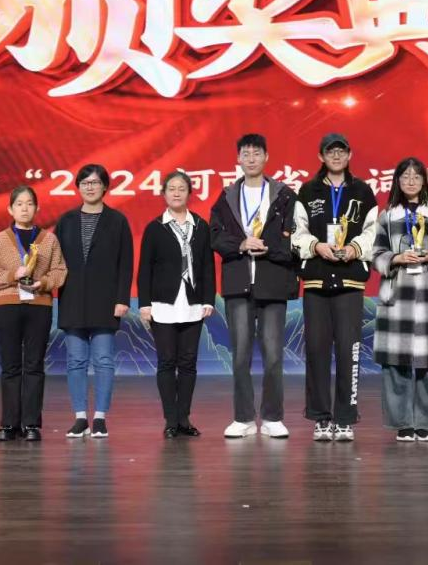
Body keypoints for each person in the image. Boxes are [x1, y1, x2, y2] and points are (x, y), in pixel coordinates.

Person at [209, 133, 299, 439]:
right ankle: (243, 418)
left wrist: (269, 249)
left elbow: (294, 236)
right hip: (238, 284)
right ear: (238, 159)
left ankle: (273, 417)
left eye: (256, 153)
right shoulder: (227, 197)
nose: (251, 159)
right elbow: (215, 236)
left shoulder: (284, 195)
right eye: (245, 154)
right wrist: (241, 244)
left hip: (272, 283)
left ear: (266, 157)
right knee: (240, 356)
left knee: (273, 355)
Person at [292, 133, 379, 442]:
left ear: (349, 154)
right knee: (316, 350)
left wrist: (355, 248)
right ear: (321, 156)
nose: (336, 156)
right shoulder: (308, 191)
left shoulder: (362, 191)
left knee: (348, 351)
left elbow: (373, 231)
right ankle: (320, 418)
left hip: (350, 280)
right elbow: (297, 232)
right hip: (316, 280)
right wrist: (316, 246)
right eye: (331, 151)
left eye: (341, 151)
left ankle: (344, 418)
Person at [371, 157, 428, 442]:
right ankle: (402, 423)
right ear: (397, 180)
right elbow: (375, 254)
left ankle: (427, 423)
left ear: (424, 181)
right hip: (397, 297)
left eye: (416, 177)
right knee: (395, 364)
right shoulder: (387, 216)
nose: (411, 181)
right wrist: (396, 258)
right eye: (406, 176)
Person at [55, 164, 133, 439]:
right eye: (84, 183)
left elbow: (126, 263)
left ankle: (99, 417)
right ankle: (80, 418)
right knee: (75, 360)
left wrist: (122, 299)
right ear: (78, 187)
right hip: (72, 299)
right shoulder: (65, 221)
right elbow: (55, 261)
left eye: (95, 182)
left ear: (105, 187)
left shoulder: (117, 220)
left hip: (105, 301)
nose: (89, 187)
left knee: (103, 360)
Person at [137, 171, 217, 439]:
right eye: (171, 188)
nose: (176, 193)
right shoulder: (155, 227)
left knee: (188, 363)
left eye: (181, 188)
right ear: (163, 193)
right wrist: (144, 304)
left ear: (189, 193)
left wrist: (208, 299)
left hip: (193, 304)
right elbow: (145, 269)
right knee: (166, 362)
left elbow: (207, 265)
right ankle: (170, 419)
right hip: (163, 305)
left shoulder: (200, 226)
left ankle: (184, 418)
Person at [0, 185, 67, 442]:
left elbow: (60, 271)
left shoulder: (49, 240)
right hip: (8, 304)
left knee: (34, 364)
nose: (24, 208)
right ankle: (9, 423)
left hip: (39, 305)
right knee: (10, 365)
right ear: (10, 209)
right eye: (19, 204)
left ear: (37, 208)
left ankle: (31, 423)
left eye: (29, 203)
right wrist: (13, 274)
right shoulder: (0, 239)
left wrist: (43, 283)